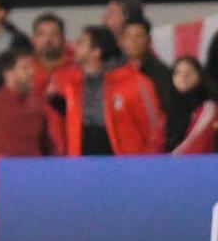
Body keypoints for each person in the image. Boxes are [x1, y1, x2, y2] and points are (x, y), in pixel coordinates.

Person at [55, 26, 164, 156]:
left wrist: (147, 163)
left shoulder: (135, 83)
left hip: (126, 163)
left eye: (81, 42)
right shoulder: (72, 84)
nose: (74, 46)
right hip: (83, 162)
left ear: (96, 51)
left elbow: (154, 129)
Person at [165, 57, 218, 155]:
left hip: (198, 163)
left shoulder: (208, 107)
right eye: (178, 72)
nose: (183, 77)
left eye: (190, 72)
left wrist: (166, 161)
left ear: (200, 76)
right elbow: (157, 139)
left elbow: (196, 142)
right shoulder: (168, 106)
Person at [120, 17, 172, 112]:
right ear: (122, 41)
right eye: (128, 37)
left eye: (139, 36)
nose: (133, 41)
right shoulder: (114, 70)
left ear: (149, 40)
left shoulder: (162, 73)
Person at [30, 12, 74, 99]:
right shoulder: (24, 69)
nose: (48, 39)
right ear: (33, 39)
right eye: (42, 34)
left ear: (63, 38)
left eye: (54, 34)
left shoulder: (77, 68)